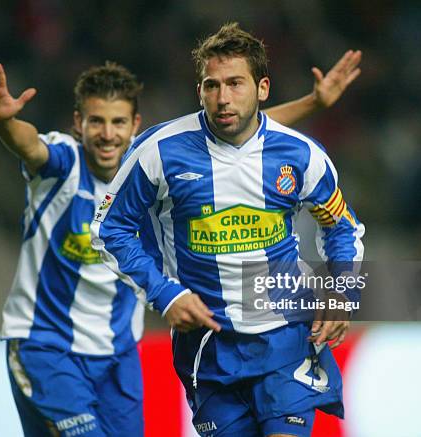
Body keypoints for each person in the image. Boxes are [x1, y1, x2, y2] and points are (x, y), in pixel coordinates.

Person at [0, 47, 361, 436]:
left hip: (130, 350)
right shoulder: (78, 162)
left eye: (118, 122)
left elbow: (247, 132)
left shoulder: (282, 152)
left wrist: (339, 290)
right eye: (96, 122)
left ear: (134, 123)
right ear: (77, 124)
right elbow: (31, 146)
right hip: (67, 345)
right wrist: (4, 125)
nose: (107, 134)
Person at [91, 23, 364, 437]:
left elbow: (341, 225)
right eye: (211, 85)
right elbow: (110, 229)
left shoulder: (300, 154)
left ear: (263, 88)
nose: (222, 98)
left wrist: (342, 292)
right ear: (199, 90)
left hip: (287, 336)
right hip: (207, 347)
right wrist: (166, 294)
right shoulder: (159, 151)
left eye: (235, 83)